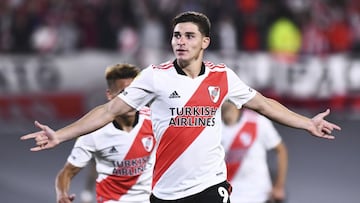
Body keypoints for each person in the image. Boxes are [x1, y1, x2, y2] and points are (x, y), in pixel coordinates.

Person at [21, 11, 341, 203]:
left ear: (205, 42)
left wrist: (307, 123)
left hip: (211, 187)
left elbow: (264, 105)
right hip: (165, 192)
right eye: (176, 35)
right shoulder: (155, 78)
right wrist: (61, 135)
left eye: (189, 36)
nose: (180, 41)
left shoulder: (221, 77)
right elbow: (109, 111)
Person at [55, 63, 156, 203]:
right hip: (112, 201)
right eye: (123, 93)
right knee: (94, 164)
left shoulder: (155, 120)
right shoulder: (93, 132)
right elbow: (67, 172)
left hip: (148, 200)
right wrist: (62, 194)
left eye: (135, 92)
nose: (131, 99)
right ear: (109, 95)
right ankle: (88, 190)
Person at [221, 101, 288, 203]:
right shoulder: (211, 127)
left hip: (260, 195)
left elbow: (281, 150)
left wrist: (279, 186)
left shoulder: (257, 121)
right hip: (228, 196)